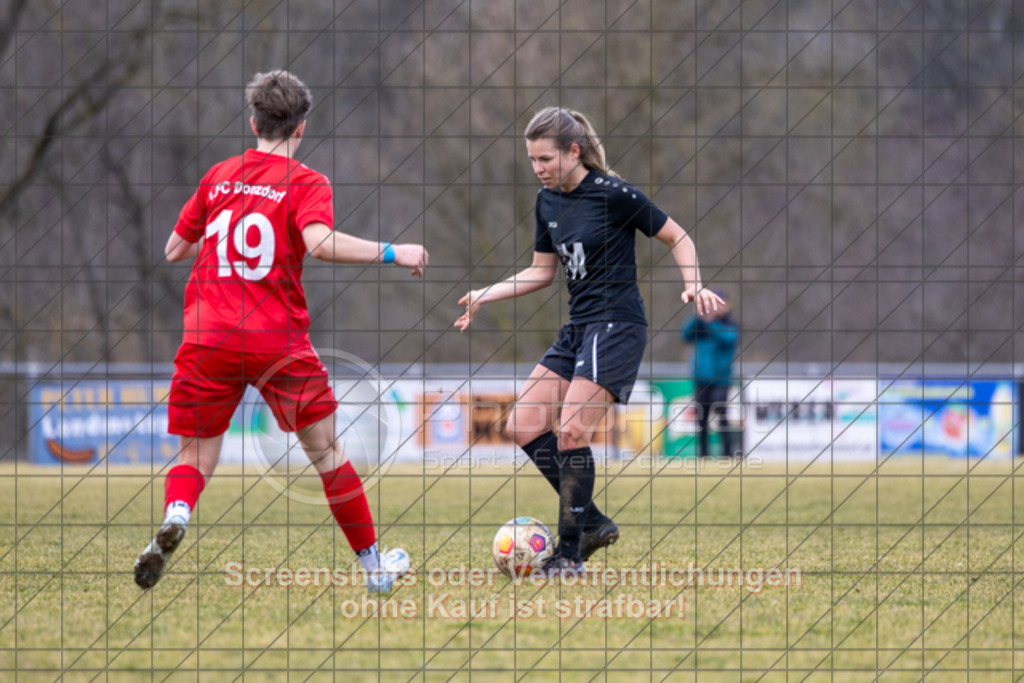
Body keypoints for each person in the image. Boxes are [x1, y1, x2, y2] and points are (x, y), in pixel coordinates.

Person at [134, 70, 428, 593]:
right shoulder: (307, 181)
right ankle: (374, 569)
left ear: (253, 122)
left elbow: (173, 250)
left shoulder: (218, 174)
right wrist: (392, 250)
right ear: (301, 128)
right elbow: (319, 243)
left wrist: (223, 253)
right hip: (275, 339)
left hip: (209, 336)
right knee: (327, 454)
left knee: (195, 455)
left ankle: (178, 513)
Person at [455, 107, 724, 576]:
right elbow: (542, 272)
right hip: (578, 328)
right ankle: (592, 522)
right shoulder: (547, 202)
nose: (538, 169)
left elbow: (678, 236)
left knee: (572, 432)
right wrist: (485, 293)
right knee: (522, 424)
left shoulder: (614, 195)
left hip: (616, 325)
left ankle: (569, 554)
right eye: (532, 160)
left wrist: (694, 283)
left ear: (573, 151)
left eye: (545, 159)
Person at [680, 290, 740, 458]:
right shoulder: (699, 325)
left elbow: (728, 339)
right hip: (700, 379)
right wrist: (697, 316)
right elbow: (685, 335)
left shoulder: (730, 325)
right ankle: (703, 455)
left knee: (721, 415)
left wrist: (709, 322)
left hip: (721, 380)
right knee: (702, 419)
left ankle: (728, 453)